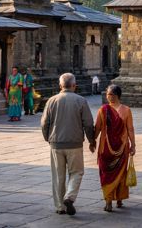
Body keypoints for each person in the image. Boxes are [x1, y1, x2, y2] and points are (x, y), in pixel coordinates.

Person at [41, 72, 96, 216]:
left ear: (60, 85)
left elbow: (44, 123)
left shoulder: (51, 101)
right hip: (75, 144)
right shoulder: (81, 100)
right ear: (74, 85)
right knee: (77, 172)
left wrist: (48, 138)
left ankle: (60, 206)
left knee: (58, 176)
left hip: (56, 143)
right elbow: (89, 124)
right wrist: (92, 141)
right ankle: (69, 196)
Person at [94, 84, 136, 212]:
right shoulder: (103, 110)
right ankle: (108, 201)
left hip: (122, 147)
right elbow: (98, 128)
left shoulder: (126, 110)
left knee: (121, 174)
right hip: (105, 148)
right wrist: (92, 141)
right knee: (106, 174)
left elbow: (130, 129)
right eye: (107, 94)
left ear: (117, 95)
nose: (108, 97)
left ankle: (119, 198)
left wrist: (133, 144)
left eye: (111, 94)